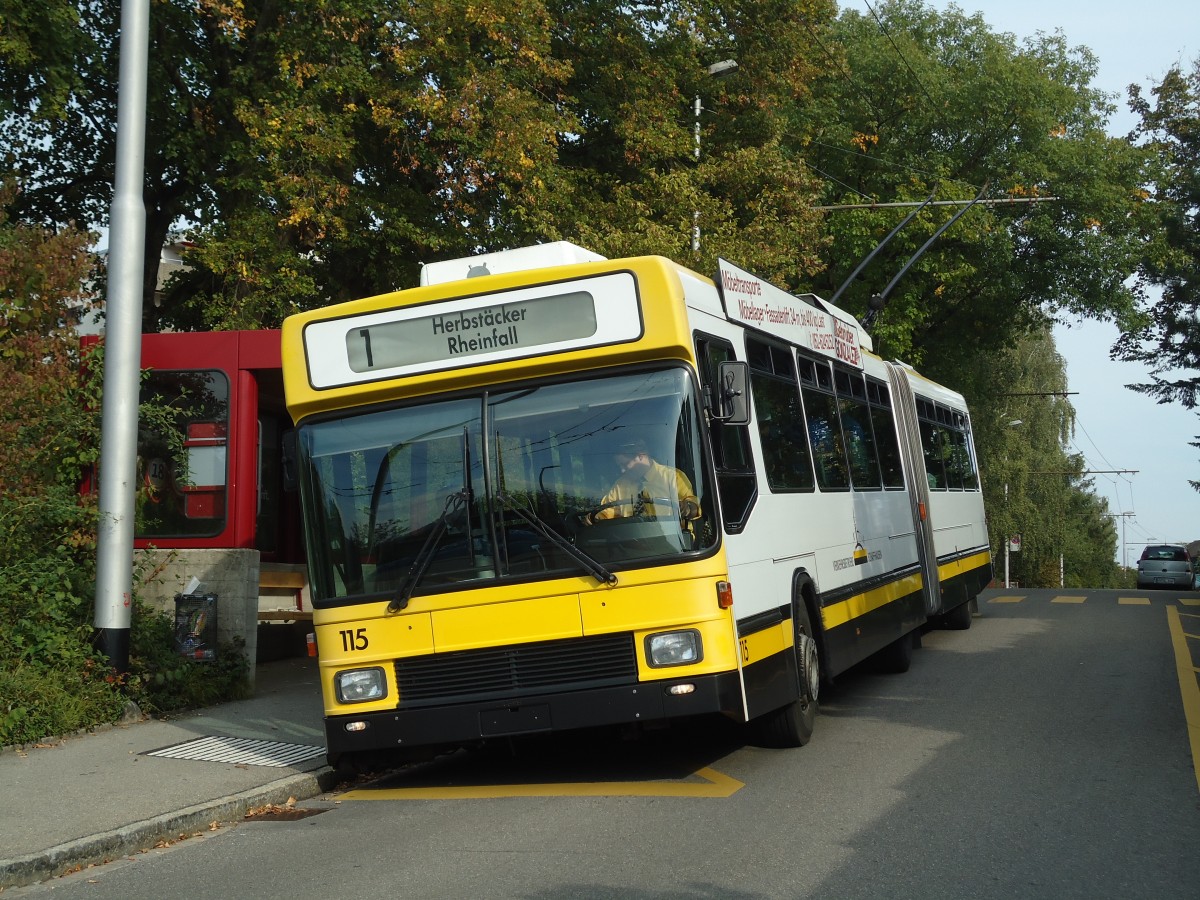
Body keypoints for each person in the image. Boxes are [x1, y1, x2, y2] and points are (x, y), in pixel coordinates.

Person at [585, 439, 700, 524]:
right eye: (619, 466)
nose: (622, 470)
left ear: (641, 456)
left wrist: (688, 507)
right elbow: (605, 512)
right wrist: (593, 518)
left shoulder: (672, 476)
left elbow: (694, 508)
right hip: (632, 547)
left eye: (625, 464)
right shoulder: (620, 485)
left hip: (673, 544)